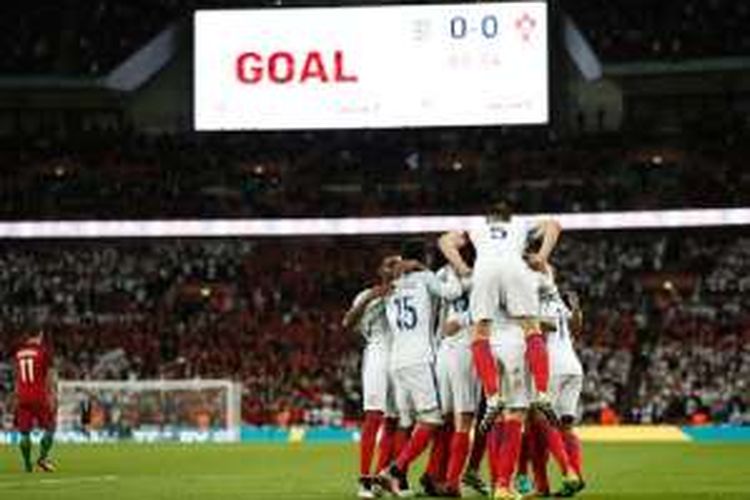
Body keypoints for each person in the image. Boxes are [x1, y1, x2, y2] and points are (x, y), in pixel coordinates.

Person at [439, 200, 561, 428]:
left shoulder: (477, 226)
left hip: (484, 268)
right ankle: (543, 392)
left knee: (480, 333)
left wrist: (462, 266)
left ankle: (493, 396)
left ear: (489, 217)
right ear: (509, 217)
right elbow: (554, 225)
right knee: (531, 328)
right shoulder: (521, 224)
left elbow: (444, 241)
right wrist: (542, 257)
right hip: (516, 267)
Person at [377, 241, 465, 497]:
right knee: (432, 419)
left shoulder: (389, 286)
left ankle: (399, 481)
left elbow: (385, 276)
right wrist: (456, 269)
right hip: (419, 358)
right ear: (424, 257)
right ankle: (394, 470)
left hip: (396, 361)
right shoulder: (426, 277)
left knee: (406, 422)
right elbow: (453, 292)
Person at [343, 255, 401, 499]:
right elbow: (347, 322)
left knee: (394, 420)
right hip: (377, 352)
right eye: (388, 264)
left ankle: (380, 478)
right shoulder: (366, 294)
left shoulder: (408, 293)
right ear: (380, 269)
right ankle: (364, 480)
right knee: (374, 415)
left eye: (397, 264)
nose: (392, 268)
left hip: (402, 354)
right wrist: (371, 297)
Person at [431, 265, 483, 497]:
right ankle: (452, 482)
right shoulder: (484, 273)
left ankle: (434, 475)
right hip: (466, 350)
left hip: (443, 350)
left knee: (444, 419)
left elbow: (440, 315)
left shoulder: (443, 274)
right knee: (465, 421)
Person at [13, 329, 56, 473]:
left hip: (22, 396)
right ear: (40, 335)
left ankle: (27, 465)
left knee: (24, 433)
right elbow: (49, 378)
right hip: (39, 395)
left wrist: (16, 396)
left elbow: (17, 376)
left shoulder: (18, 353)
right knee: (50, 428)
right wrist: (52, 396)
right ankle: (42, 459)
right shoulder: (44, 352)